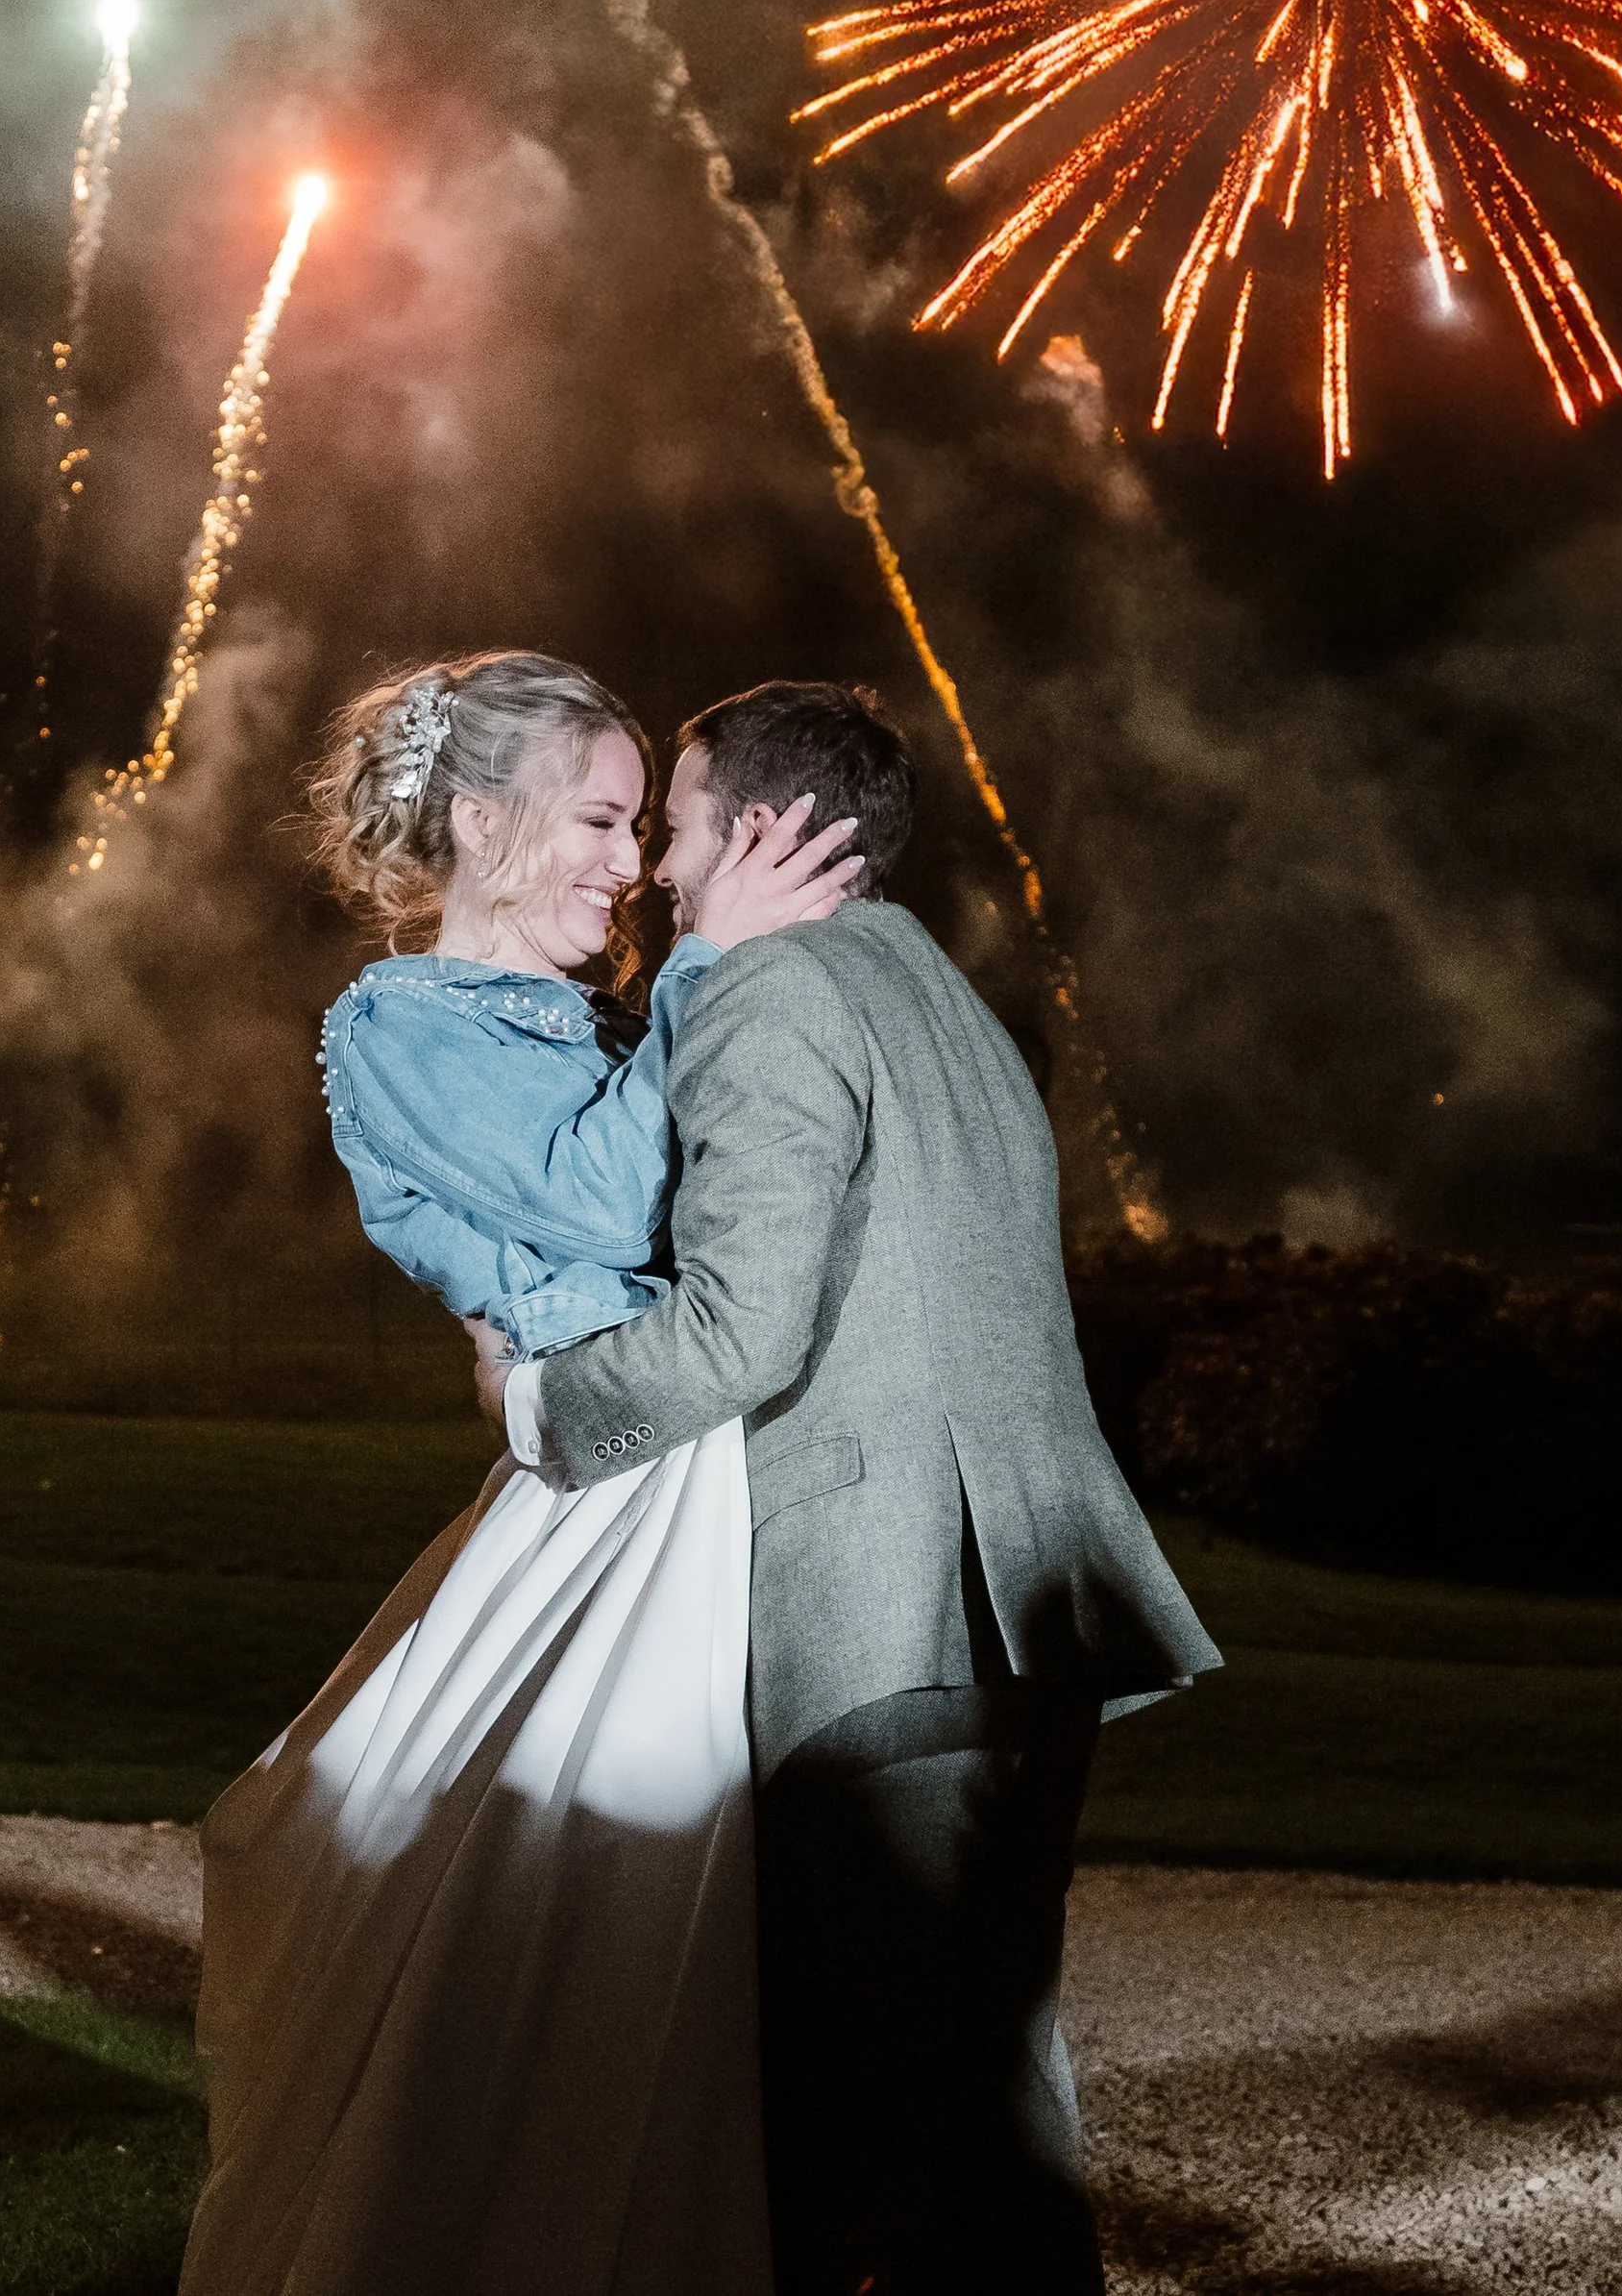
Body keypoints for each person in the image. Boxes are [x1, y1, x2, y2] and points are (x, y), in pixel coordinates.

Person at [488, 679, 1220, 2296]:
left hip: (875, 1616)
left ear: (756, 828)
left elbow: (742, 1326)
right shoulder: (950, 1005)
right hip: (1025, 1613)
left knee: (853, 2136)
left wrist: (545, 1400)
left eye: (675, 828)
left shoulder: (772, 994)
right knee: (996, 2106)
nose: (660, 874)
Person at [178, 648, 860, 2296]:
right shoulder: (394, 1019)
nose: (635, 867)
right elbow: (608, 1201)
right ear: (482, 822)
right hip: (613, 1492)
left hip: (673, 1453)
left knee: (668, 1918)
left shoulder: (585, 1011)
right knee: (575, 1901)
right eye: (604, 820)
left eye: (642, 828)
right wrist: (718, 960)